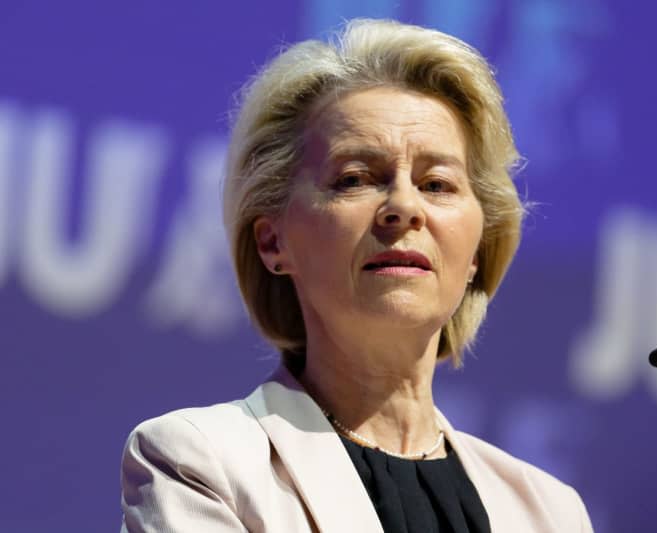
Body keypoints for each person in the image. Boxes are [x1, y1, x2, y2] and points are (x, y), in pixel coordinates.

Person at [120, 18, 593, 533]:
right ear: (272, 242)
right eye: (354, 179)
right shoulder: (204, 463)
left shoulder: (549, 512)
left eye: (437, 184)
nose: (404, 208)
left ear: (478, 248)